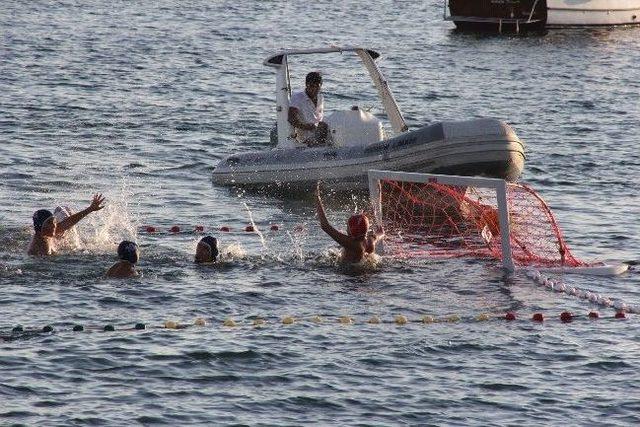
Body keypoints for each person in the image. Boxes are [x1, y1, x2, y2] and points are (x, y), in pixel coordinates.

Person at [315, 183, 384, 263]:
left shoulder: (352, 244)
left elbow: (325, 226)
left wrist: (317, 197)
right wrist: (378, 195)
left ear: (351, 231)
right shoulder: (370, 241)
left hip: (349, 273)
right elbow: (380, 232)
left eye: (347, 226)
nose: (346, 228)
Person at [28, 194, 106, 256]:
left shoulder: (45, 233)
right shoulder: (41, 248)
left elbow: (69, 222)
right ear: (40, 226)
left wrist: (90, 209)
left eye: (54, 222)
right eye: (49, 223)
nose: (54, 225)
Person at [288, 71, 330, 147]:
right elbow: (291, 118)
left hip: (319, 133)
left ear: (320, 86)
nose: (314, 89)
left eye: (317, 86)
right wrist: (306, 127)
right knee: (323, 126)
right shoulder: (298, 97)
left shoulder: (321, 98)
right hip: (304, 138)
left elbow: (319, 118)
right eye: (311, 86)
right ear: (306, 85)